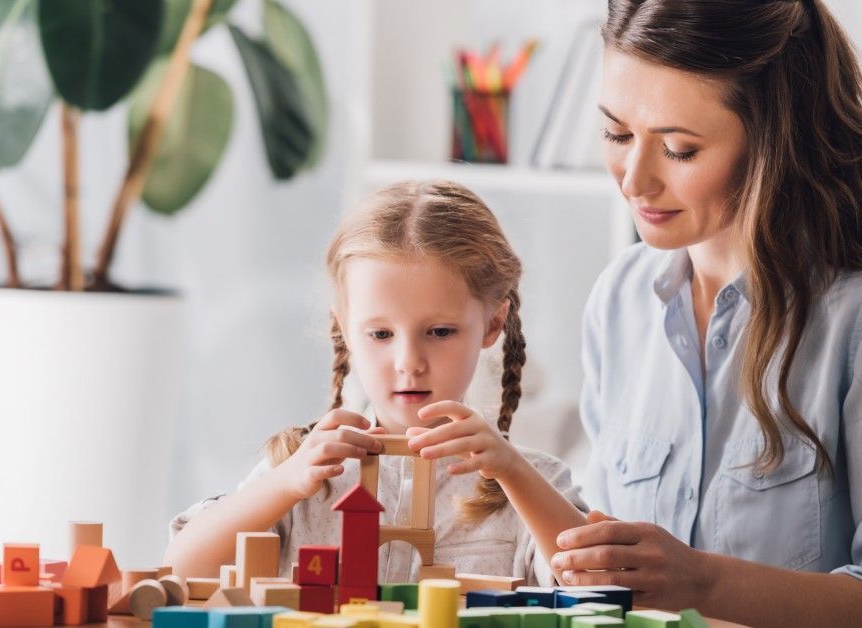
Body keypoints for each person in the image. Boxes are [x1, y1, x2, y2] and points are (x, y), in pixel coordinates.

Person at [549, 1, 862, 626]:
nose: (634, 179)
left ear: (772, 137)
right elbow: (606, 565)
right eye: (616, 134)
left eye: (680, 149)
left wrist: (702, 581)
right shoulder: (619, 300)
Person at [163, 180, 588, 585]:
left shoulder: (532, 482)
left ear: (493, 323)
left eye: (440, 332)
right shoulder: (300, 470)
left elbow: (594, 582)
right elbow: (181, 570)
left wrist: (512, 471)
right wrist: (287, 483)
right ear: (344, 329)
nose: (409, 363)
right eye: (381, 334)